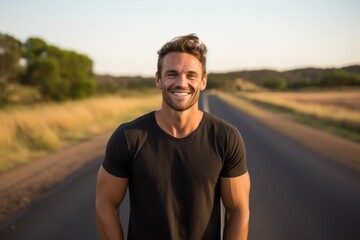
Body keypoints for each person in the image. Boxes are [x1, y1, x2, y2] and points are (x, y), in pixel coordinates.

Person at [96, 33, 250, 240]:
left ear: (203, 81)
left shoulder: (225, 138)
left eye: (191, 75)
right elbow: (105, 204)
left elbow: (238, 210)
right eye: (172, 74)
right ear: (158, 79)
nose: (181, 83)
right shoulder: (128, 137)